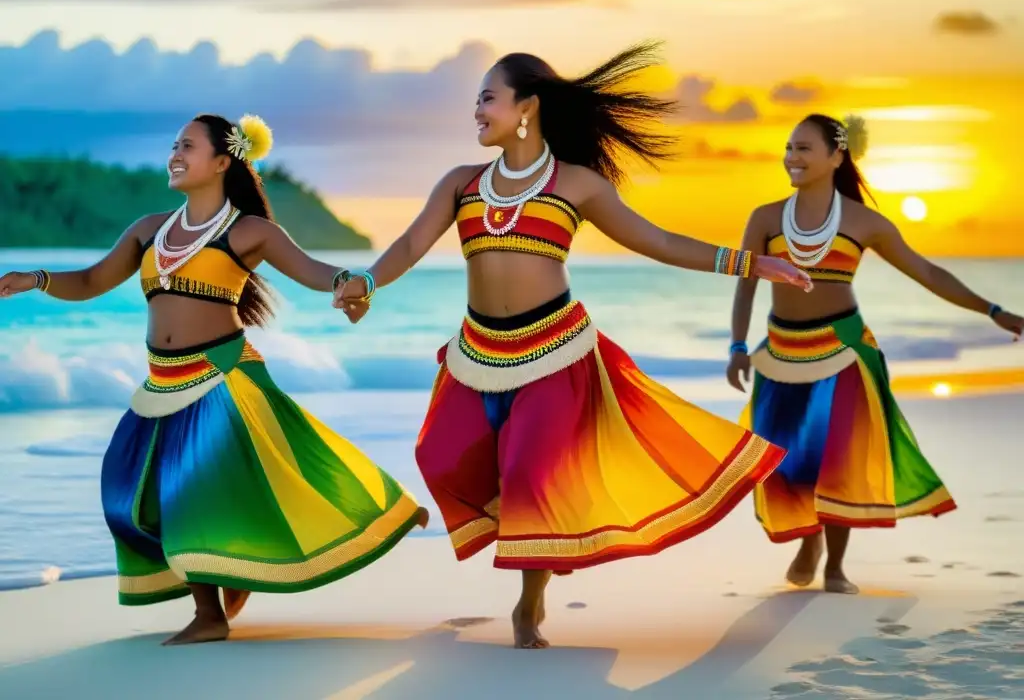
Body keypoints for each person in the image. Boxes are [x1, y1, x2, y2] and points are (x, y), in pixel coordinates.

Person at [333, 42, 811, 649]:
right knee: (440, 454)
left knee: (532, 471)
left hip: (556, 353)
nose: (476, 111)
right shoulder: (462, 184)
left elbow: (657, 241)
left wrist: (749, 264)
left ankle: (529, 603)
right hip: (478, 352)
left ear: (526, 107)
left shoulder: (576, 184)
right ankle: (546, 535)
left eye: (487, 98)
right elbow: (407, 245)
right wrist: (366, 281)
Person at [0, 113, 428, 645]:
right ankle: (234, 575)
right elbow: (91, 281)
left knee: (191, 493)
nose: (175, 154)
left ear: (223, 162)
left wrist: (350, 285)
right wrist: (36, 279)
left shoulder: (248, 231)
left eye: (189, 146)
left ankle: (211, 615)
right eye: (173, 145)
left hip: (222, 376)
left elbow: (315, 270)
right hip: (162, 382)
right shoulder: (149, 230)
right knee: (125, 492)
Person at [726, 113, 1023, 594]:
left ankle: (835, 565)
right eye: (788, 148)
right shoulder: (764, 218)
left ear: (836, 156)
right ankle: (809, 540)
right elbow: (745, 289)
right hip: (781, 352)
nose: (791, 157)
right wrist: (738, 345)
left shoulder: (865, 223)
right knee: (791, 464)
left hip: (845, 352)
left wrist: (992, 309)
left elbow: (929, 274)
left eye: (803, 148)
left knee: (839, 458)